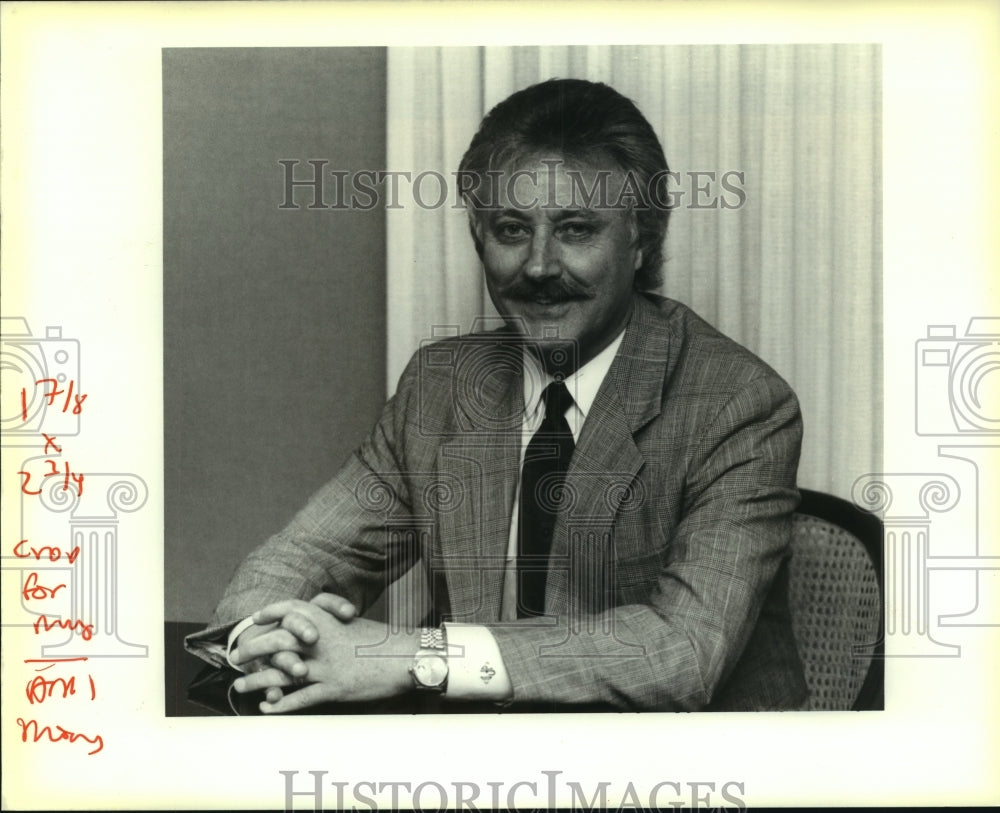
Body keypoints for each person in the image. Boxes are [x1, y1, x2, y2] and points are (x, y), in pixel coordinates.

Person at [186, 78, 807, 713]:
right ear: (480, 237)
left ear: (641, 237)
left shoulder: (739, 404)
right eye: (512, 229)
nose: (538, 266)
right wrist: (266, 640)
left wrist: (411, 656)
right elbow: (300, 558)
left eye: (575, 229)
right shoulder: (440, 388)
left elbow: (682, 652)